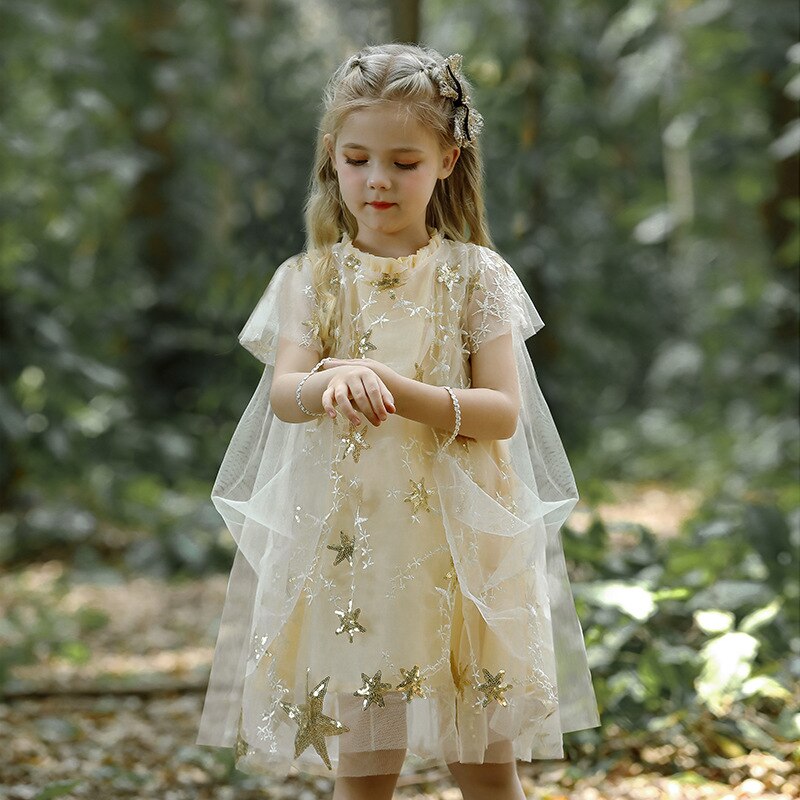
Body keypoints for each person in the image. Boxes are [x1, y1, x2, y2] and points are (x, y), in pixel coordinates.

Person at [196, 42, 600, 800]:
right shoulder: (310, 279)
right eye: (357, 159)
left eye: (404, 162)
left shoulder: (478, 277)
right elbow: (284, 392)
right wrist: (328, 384)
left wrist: (394, 386)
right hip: (357, 548)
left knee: (486, 764)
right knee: (364, 761)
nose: (377, 179)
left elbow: (502, 413)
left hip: (463, 551)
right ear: (332, 157)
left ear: (448, 159)